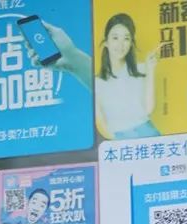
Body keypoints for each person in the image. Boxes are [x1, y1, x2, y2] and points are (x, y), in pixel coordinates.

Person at [45, 11, 159, 140]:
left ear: (131, 43)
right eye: (115, 38)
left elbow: (148, 109)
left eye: (126, 38)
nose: (121, 44)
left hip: (148, 134)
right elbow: (101, 122)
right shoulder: (98, 81)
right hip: (119, 139)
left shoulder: (142, 69)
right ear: (106, 42)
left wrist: (151, 70)